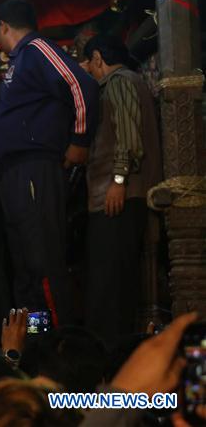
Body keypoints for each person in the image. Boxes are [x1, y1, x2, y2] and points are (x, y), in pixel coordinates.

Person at [0, 0, 98, 327]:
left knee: (43, 261)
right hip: (13, 174)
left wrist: (80, 141)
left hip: (35, 167)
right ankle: (36, 344)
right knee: (24, 267)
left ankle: (62, 345)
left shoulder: (37, 48)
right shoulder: (20, 60)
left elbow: (82, 85)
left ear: (4, 26)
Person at [80, 34, 162, 346]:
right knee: (115, 282)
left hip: (117, 196)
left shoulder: (118, 82)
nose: (86, 69)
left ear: (98, 57)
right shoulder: (134, 81)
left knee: (108, 286)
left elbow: (128, 138)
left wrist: (118, 181)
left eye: (88, 62)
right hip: (123, 195)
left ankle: (108, 358)